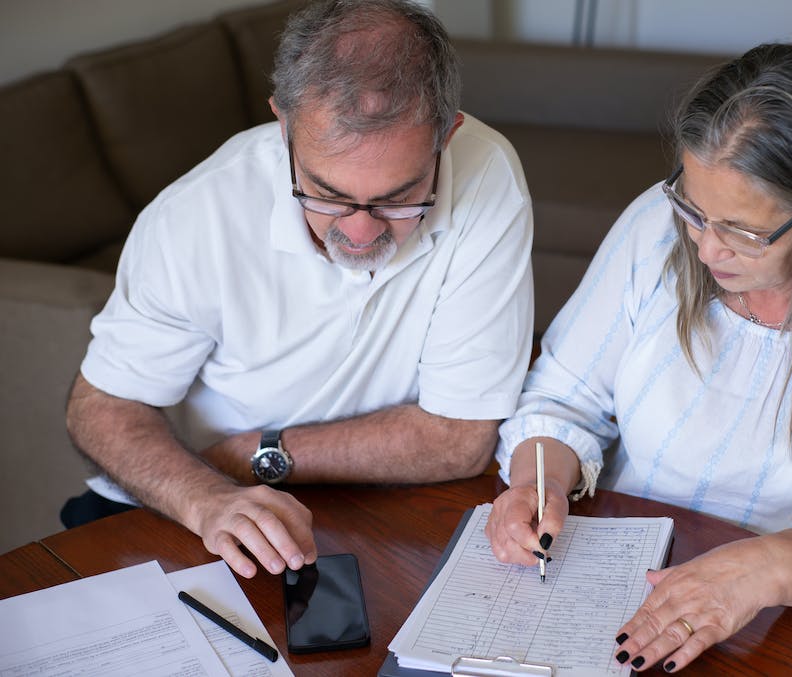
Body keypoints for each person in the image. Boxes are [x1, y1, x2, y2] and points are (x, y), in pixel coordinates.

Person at [485, 42, 792, 672]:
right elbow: (562, 398)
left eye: (742, 230)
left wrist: (755, 570)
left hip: (781, 620)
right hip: (613, 580)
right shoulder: (657, 229)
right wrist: (534, 483)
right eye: (694, 209)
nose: (707, 248)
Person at [64, 0, 533, 580]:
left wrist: (254, 454)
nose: (360, 232)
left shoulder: (488, 174)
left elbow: (461, 438)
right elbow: (103, 407)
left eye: (398, 197)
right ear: (283, 125)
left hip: (366, 497)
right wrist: (204, 495)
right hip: (208, 506)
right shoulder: (196, 217)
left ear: (449, 134)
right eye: (327, 192)